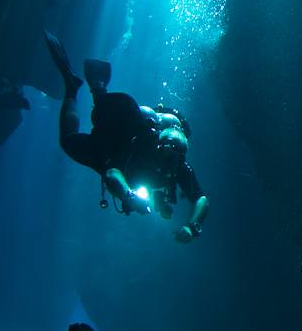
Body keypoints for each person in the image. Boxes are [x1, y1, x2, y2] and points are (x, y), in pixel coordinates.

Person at [44, 31, 209, 243]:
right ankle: (77, 88)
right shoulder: (141, 143)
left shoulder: (179, 167)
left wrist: (192, 227)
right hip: (111, 148)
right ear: (157, 142)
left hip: (127, 169)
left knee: (72, 140)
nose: (166, 157)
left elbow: (201, 198)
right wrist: (128, 196)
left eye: (171, 155)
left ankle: (96, 91)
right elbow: (112, 172)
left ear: (180, 155)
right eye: (164, 151)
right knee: (70, 140)